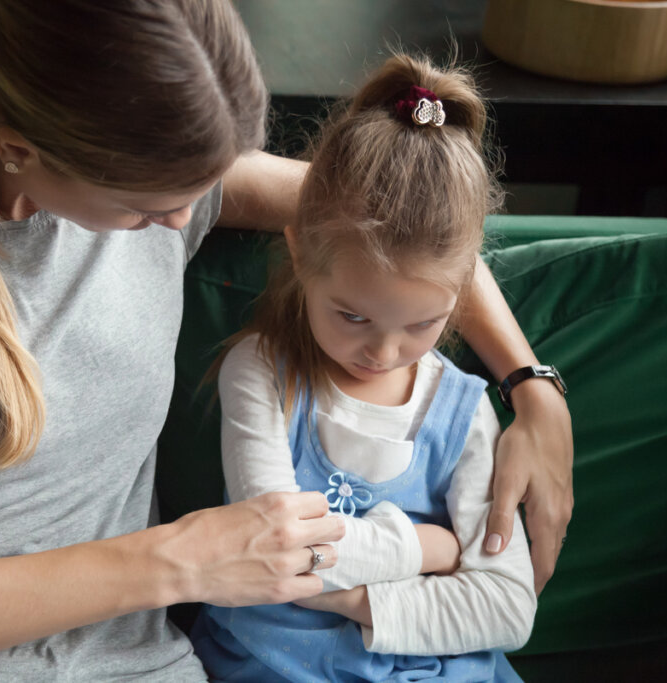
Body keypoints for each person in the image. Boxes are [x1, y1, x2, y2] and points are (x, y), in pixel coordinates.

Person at [0, 0, 569, 680]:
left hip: (142, 664)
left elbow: (414, 225)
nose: (178, 221)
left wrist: (531, 384)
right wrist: (177, 563)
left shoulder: (168, 170)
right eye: (149, 209)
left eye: (203, 189)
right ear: (19, 149)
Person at [190, 54, 537, 681]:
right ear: (299, 253)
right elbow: (272, 549)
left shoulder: (466, 412)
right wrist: (427, 549)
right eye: (351, 317)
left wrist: (349, 597)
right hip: (277, 664)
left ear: (463, 289)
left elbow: (508, 607)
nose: (382, 353)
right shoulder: (264, 374)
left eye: (422, 325)